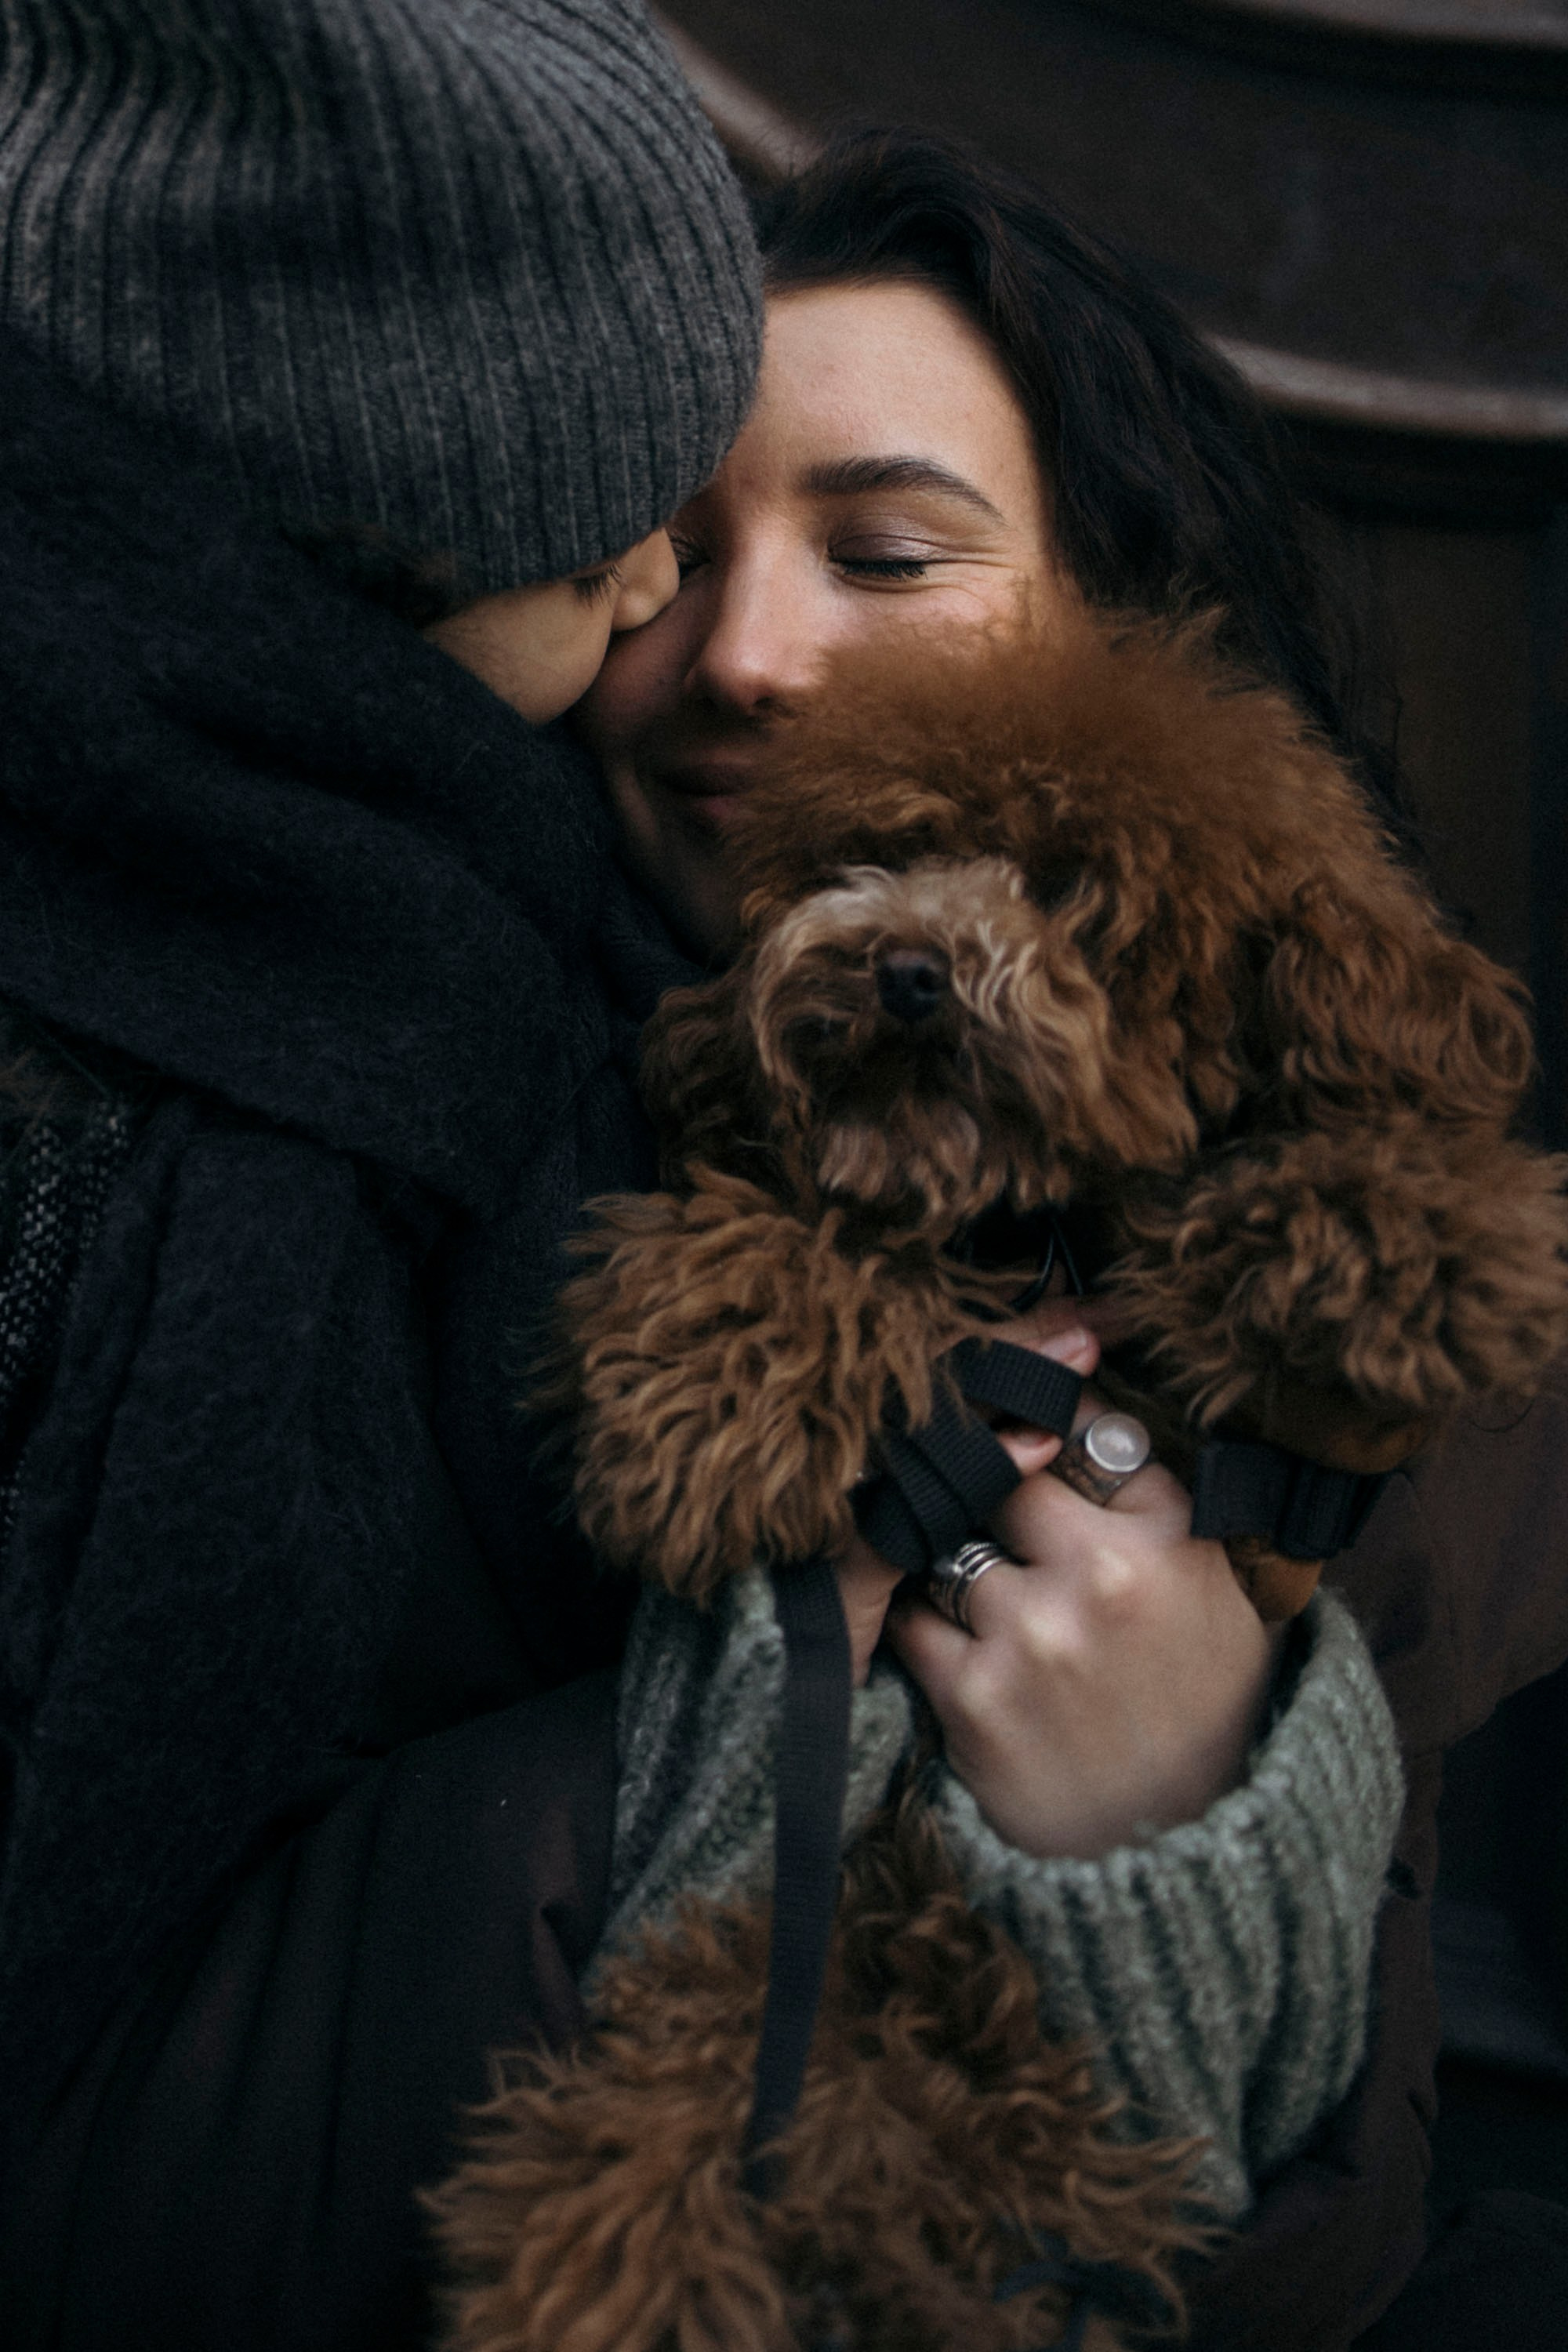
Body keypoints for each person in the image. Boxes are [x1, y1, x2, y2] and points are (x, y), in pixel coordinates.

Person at [562, 132, 1568, 2351]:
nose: (744, 655)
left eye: (888, 552)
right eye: (654, 566)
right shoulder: (422, 1147)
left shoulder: (1379, 1328)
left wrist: (1193, 1801)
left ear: (1131, 630)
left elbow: (1311, 2258)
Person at [0, 4, 760, 2345]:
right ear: (360, 569)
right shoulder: (108, 1085)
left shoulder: (414, 870)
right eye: (605, 521)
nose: (669, 589)